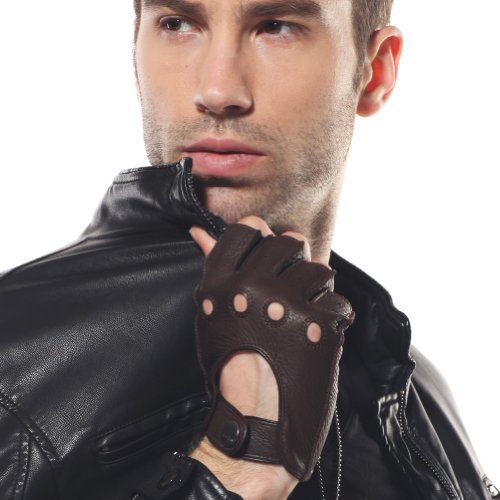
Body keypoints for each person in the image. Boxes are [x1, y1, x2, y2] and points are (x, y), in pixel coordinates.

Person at [0, 0, 498, 499]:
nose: (218, 91)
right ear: (136, 55)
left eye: (276, 27)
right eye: (177, 24)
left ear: (375, 72)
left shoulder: (411, 390)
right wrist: (239, 470)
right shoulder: (14, 365)